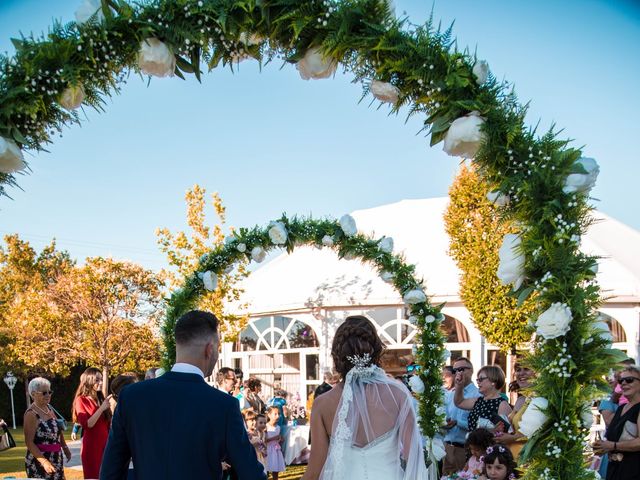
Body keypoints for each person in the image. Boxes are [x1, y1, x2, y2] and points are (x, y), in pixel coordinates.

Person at [100, 310, 265, 480]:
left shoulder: (132, 396)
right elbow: (250, 473)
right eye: (217, 348)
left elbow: (111, 470)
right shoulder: (224, 405)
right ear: (209, 349)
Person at [301, 315, 428, 480]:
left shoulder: (322, 404)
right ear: (375, 351)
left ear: (338, 356)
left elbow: (313, 472)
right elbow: (414, 459)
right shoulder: (398, 394)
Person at [593, 365, 640, 480]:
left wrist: (613, 445)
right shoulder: (621, 408)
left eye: (629, 380)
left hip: (634, 470)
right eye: (620, 380)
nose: (623, 383)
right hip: (615, 469)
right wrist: (603, 447)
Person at [24, 377, 71, 480]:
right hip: (39, 461)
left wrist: (65, 447)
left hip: (56, 457)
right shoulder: (31, 414)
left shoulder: (49, 408)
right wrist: (44, 462)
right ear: (33, 394)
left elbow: (57, 429)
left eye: (49, 392)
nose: (48, 395)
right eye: (44, 393)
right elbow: (29, 442)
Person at [443, 357, 480, 475]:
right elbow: (444, 417)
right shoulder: (450, 394)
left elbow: (478, 425)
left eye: (461, 369)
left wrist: (457, 422)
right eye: (455, 371)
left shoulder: (478, 394)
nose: (458, 373)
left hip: (466, 449)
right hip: (448, 448)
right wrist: (444, 423)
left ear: (471, 371)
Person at [73, 367, 111, 479]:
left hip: (105, 445)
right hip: (92, 447)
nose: (100, 383)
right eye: (97, 380)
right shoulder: (81, 400)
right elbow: (87, 424)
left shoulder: (100, 398)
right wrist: (101, 408)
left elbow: (107, 425)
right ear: (89, 381)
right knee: (93, 476)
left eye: (101, 380)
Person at [455, 365, 512, 433]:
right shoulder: (479, 401)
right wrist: (459, 385)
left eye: (481, 379)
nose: (478, 382)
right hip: (472, 443)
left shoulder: (502, 405)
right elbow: (459, 402)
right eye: (478, 379)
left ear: (493, 381)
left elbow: (504, 434)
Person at [495, 362, 534, 460]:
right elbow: (513, 430)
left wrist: (508, 438)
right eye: (518, 370)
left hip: (528, 459)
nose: (521, 373)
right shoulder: (521, 399)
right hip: (512, 457)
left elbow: (531, 433)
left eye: (526, 369)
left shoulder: (538, 398)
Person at [266, 406, 286, 479]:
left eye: (279, 414)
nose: (278, 416)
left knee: (276, 468)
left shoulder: (278, 427)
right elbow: (263, 440)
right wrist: (274, 438)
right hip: (267, 450)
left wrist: (281, 439)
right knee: (266, 468)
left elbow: (278, 439)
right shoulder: (266, 426)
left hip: (276, 450)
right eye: (275, 414)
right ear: (269, 415)